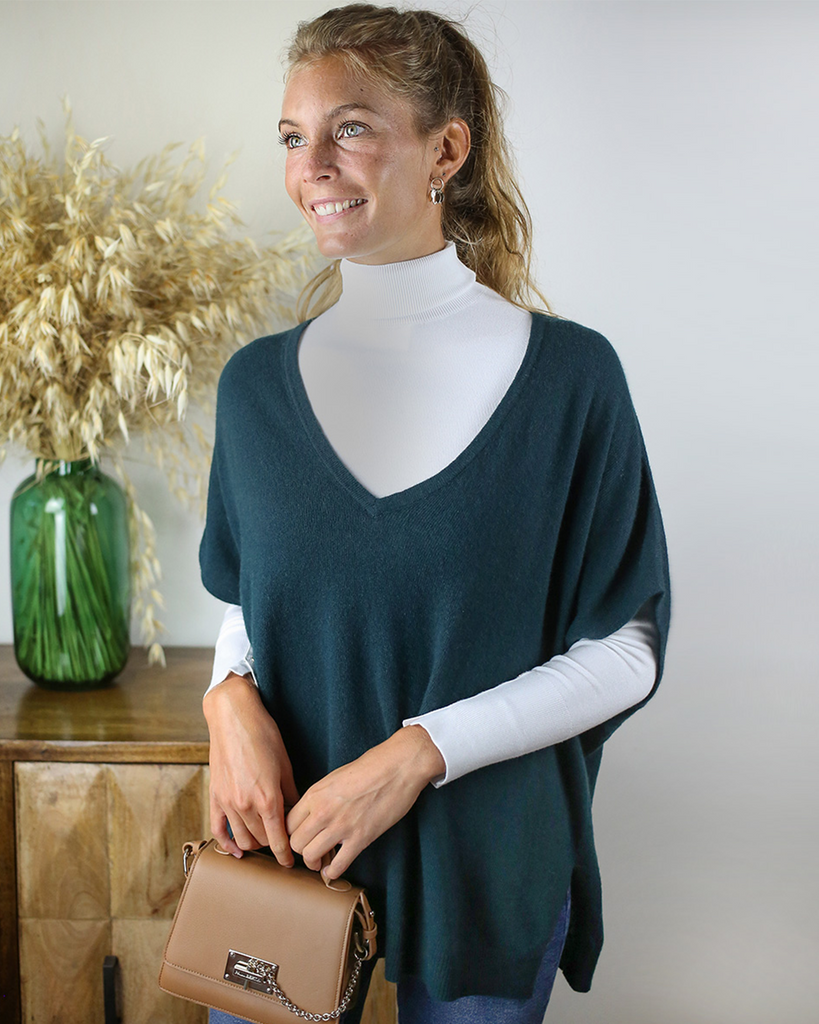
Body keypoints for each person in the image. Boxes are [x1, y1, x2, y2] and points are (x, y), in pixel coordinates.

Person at [198, 4, 671, 1023]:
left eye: (350, 128)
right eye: (292, 137)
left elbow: (626, 648)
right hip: (292, 850)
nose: (312, 166)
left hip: (488, 860)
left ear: (445, 151)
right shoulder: (253, 390)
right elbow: (249, 592)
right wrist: (226, 694)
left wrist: (418, 753)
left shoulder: (571, 381)